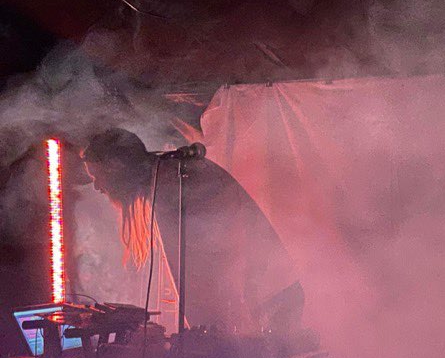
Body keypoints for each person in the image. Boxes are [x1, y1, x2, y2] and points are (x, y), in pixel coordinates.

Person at [81, 128, 304, 337]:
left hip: (268, 298)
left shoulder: (171, 182)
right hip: (273, 291)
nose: (97, 187)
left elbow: (193, 274)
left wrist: (200, 333)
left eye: (96, 177)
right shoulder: (171, 172)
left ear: (116, 166)